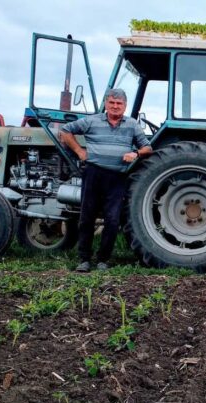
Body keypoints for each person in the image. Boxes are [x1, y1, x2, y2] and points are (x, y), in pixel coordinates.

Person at [60, 88, 153, 272]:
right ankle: (84, 260)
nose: (115, 106)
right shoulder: (92, 120)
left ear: (125, 106)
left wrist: (135, 153)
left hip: (117, 177)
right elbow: (65, 131)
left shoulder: (132, 124)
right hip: (94, 173)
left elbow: (148, 148)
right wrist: (79, 151)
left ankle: (103, 259)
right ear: (106, 104)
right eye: (112, 103)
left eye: (119, 104)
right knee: (87, 217)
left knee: (112, 220)